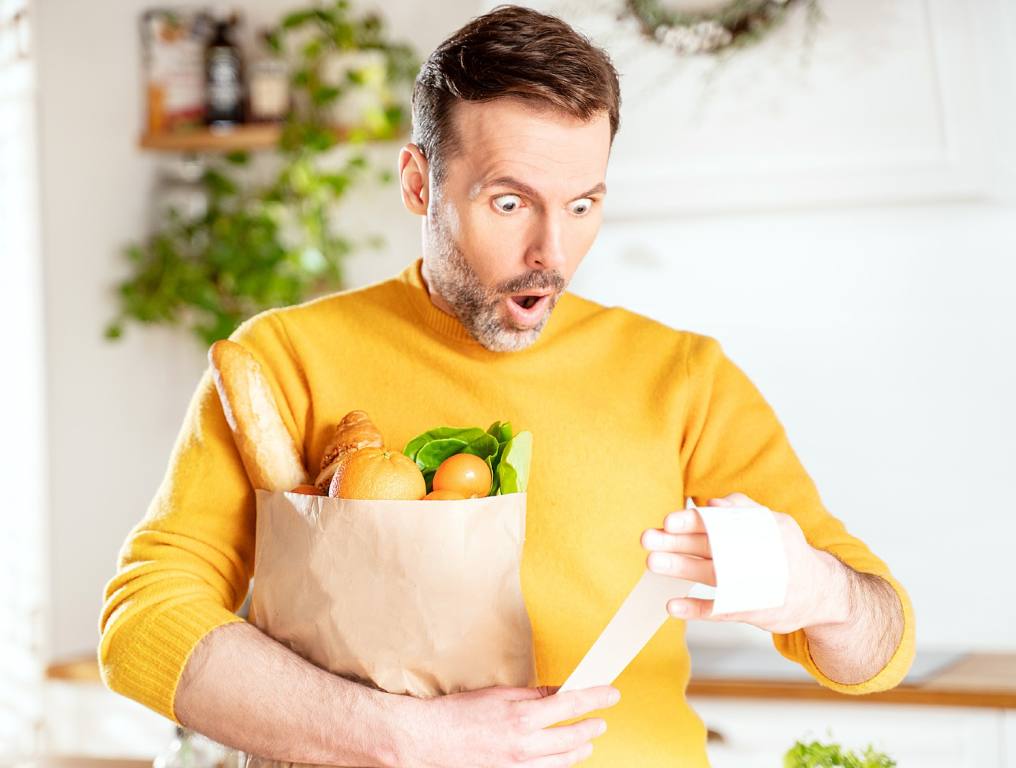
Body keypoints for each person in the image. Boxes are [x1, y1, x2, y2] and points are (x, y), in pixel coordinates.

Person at [100, 6, 914, 766]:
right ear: (419, 183)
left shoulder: (684, 377)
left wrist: (824, 593)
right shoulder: (285, 360)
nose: (551, 252)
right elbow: (143, 623)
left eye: (583, 204)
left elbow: (880, 649)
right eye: (509, 200)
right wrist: (403, 737)